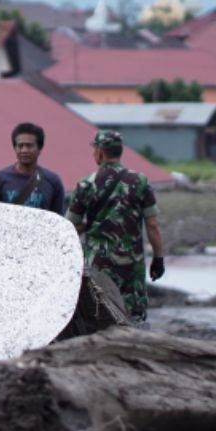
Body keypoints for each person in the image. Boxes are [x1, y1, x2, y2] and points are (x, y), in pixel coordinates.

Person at [66, 130, 165, 324]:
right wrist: (158, 259)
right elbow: (152, 225)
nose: (93, 153)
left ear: (100, 152)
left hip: (98, 265)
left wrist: (85, 227)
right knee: (133, 317)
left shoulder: (86, 184)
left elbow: (69, 226)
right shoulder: (140, 181)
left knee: (99, 313)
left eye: (94, 149)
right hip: (131, 265)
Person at [0, 122, 66, 214]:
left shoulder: (53, 181)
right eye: (20, 146)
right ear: (15, 148)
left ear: (39, 148)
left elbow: (58, 219)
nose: (24, 150)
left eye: (29, 146)